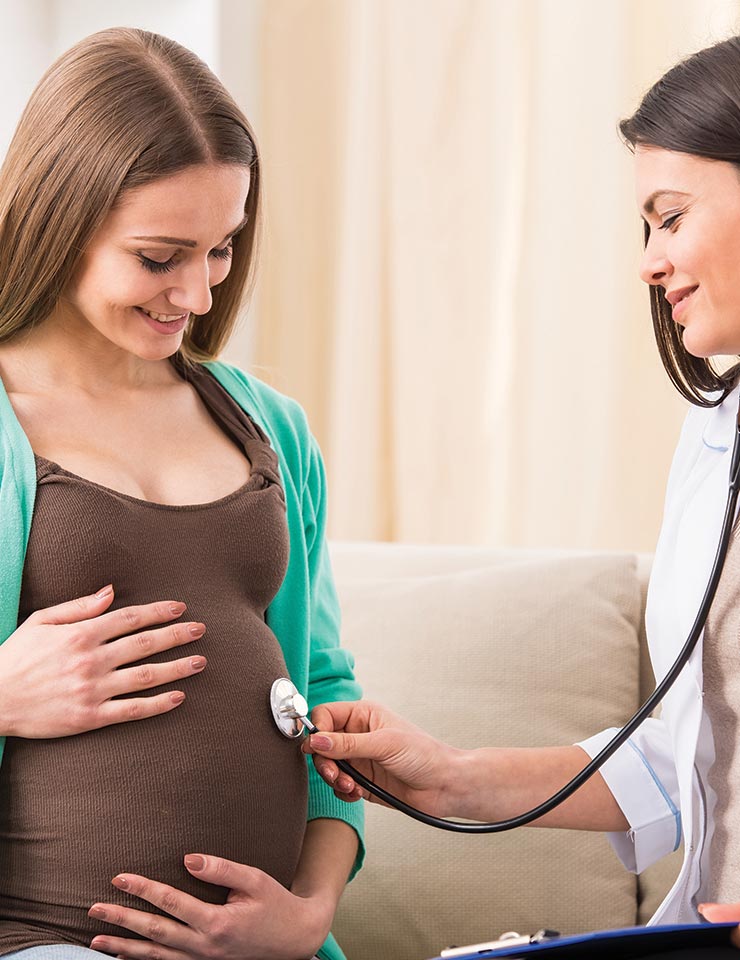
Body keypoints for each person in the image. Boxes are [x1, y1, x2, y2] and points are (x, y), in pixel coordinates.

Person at [304, 32, 740, 956]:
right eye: (647, 227)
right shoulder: (716, 438)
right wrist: (452, 777)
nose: (649, 262)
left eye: (670, 217)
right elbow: (696, 752)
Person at [0, 26, 363, 960]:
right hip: (44, 937)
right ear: (59, 219)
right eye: (160, 257)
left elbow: (326, 693)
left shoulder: (270, 426)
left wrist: (309, 915)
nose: (197, 295)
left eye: (222, 249)